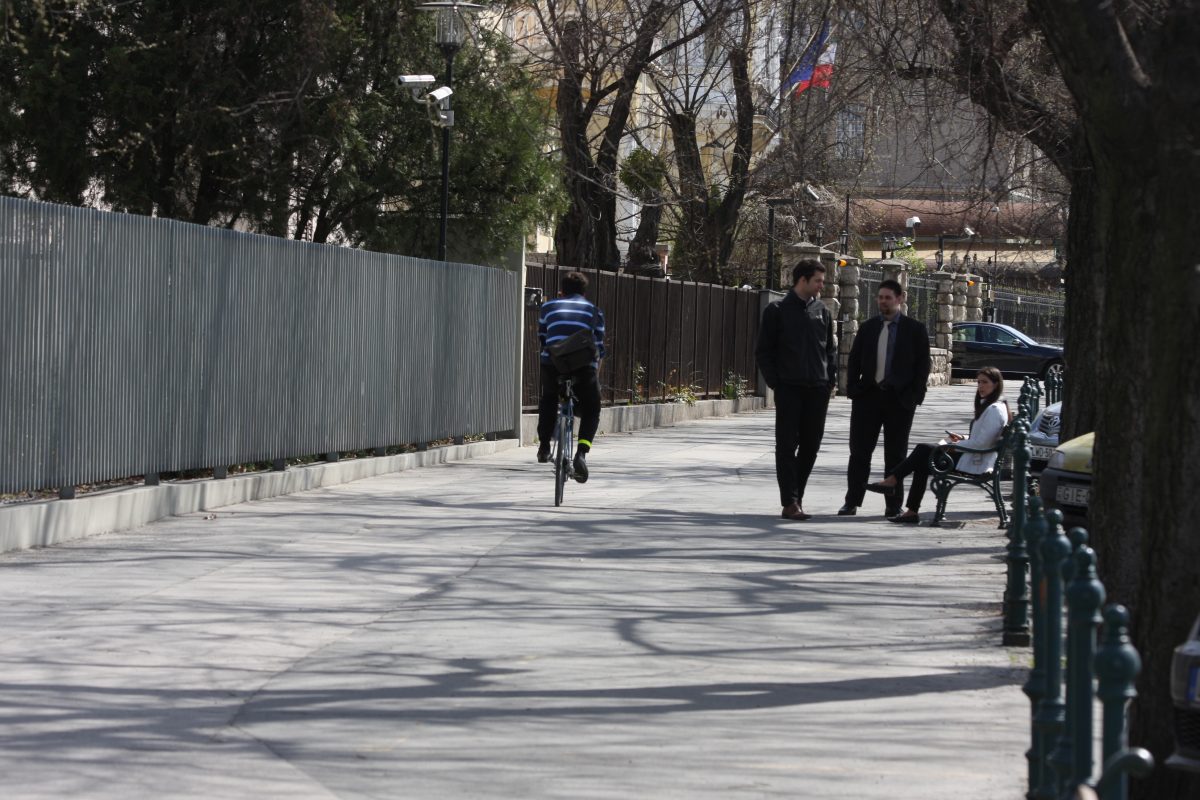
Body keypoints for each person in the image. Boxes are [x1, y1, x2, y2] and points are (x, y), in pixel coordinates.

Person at [865, 366, 1010, 524]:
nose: (980, 386)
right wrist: (963, 437)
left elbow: (982, 444)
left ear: (996, 384)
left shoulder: (994, 409)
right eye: (979, 382)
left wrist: (955, 445)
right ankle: (910, 511)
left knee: (923, 449)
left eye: (985, 382)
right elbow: (983, 438)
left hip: (976, 462)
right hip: (973, 457)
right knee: (921, 462)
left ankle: (892, 481)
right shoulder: (993, 406)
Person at [839, 279, 931, 517]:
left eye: (888, 298)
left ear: (900, 299)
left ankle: (893, 504)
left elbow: (923, 366)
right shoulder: (868, 328)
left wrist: (915, 396)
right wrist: (853, 389)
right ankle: (852, 501)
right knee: (859, 452)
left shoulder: (915, 329)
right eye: (880, 297)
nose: (883, 302)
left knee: (896, 454)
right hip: (868, 397)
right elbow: (854, 359)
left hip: (899, 400)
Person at [755, 259, 837, 520]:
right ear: (803, 280)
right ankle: (789, 502)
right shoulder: (777, 310)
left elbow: (830, 350)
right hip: (789, 389)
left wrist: (829, 380)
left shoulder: (823, 311)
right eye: (818, 280)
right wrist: (776, 383)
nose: (822, 285)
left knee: (811, 446)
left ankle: (797, 496)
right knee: (786, 446)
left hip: (818, 390)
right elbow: (763, 351)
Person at [536, 271, 606, 482]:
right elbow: (599, 349)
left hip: (553, 364)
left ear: (562, 291)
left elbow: (543, 338)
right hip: (583, 367)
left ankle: (544, 446)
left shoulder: (548, 307)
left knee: (549, 399)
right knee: (592, 408)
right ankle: (581, 453)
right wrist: (594, 377)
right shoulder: (594, 311)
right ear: (584, 293)